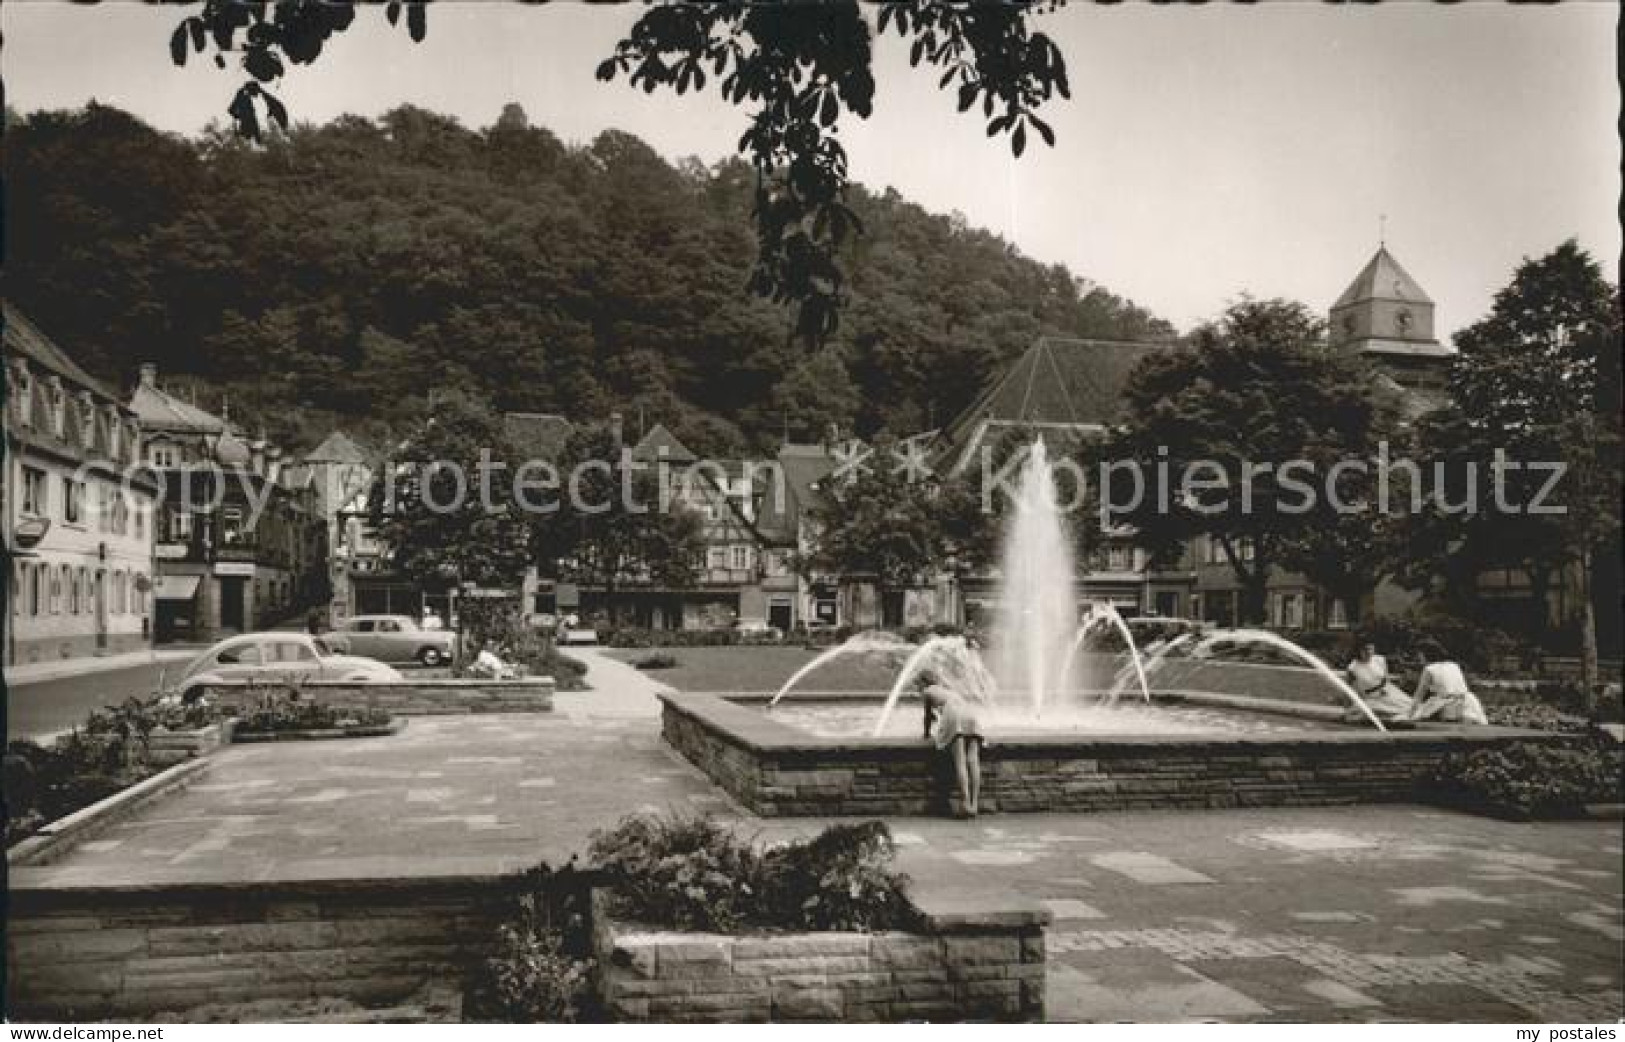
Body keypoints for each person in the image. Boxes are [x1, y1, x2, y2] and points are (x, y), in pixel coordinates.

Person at [919, 670, 986, 818]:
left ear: (924, 682)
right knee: (973, 760)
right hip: (970, 714)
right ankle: (974, 805)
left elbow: (928, 717)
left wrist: (926, 734)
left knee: (960, 761)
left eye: (919, 683)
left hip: (954, 713)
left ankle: (965, 804)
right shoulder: (948, 690)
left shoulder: (927, 691)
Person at [1407, 641, 1489, 725]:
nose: (1419, 658)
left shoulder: (1429, 669)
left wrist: (1410, 715)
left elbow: (1419, 695)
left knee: (1422, 716)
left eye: (1420, 655)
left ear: (1425, 655)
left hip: (1449, 704)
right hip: (1469, 701)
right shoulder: (1454, 665)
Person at [1343, 641, 1413, 722]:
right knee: (1369, 711)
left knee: (1410, 708)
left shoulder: (1380, 659)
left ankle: (1391, 717)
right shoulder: (1353, 667)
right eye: (1365, 650)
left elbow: (1385, 678)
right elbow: (1347, 688)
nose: (1369, 652)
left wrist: (1385, 690)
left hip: (1387, 692)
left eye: (1371, 649)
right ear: (1359, 650)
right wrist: (1347, 708)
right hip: (1370, 697)